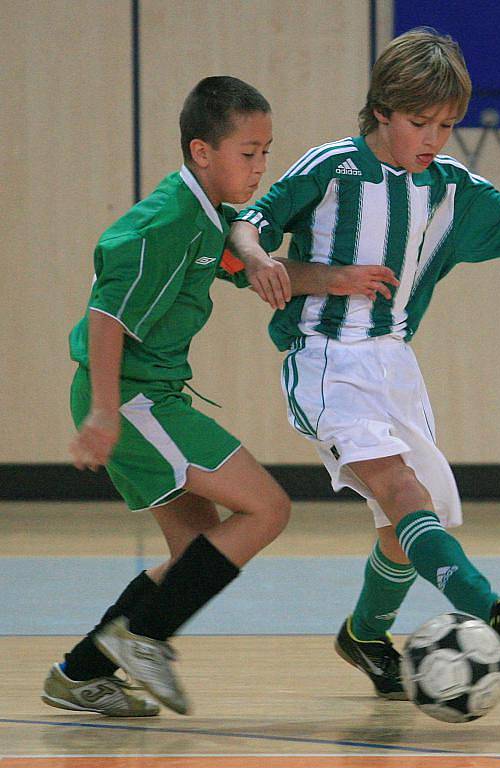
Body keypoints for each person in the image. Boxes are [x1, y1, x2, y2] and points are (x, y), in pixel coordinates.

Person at [229, 27, 500, 700]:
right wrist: (271, 262)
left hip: (393, 366)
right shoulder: (331, 167)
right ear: (381, 109)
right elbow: (243, 229)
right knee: (403, 496)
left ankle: (362, 635)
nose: (433, 138)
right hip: (325, 360)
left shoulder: (447, 188)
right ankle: (493, 613)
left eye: (445, 125)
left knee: (402, 527)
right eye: (419, 122)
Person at [41, 76, 300, 718]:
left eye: (267, 150)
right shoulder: (165, 222)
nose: (261, 166)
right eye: (249, 152)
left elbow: (245, 248)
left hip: (147, 397)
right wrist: (104, 410)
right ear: (201, 151)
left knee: (192, 559)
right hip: (132, 400)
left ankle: (80, 673)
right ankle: (145, 639)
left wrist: (333, 278)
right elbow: (106, 316)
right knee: (267, 510)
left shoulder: (208, 213)